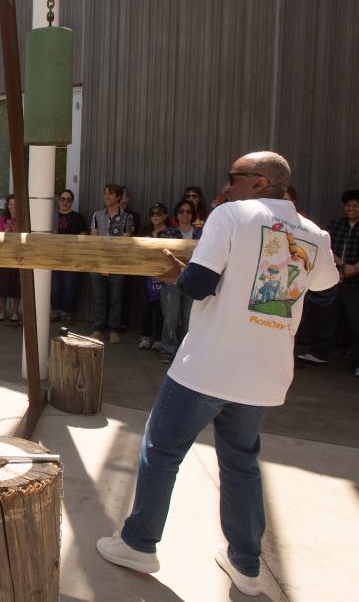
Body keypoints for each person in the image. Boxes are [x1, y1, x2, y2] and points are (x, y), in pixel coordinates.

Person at [96, 151, 338, 596]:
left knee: (161, 451)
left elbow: (200, 284)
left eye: (234, 177)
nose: (225, 187)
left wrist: (175, 274)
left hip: (208, 366)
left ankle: (139, 543)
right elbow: (323, 285)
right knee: (242, 463)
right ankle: (246, 565)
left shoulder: (232, 216)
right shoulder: (315, 233)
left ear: (261, 182)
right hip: (264, 373)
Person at [297, 189, 359, 377]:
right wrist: (343, 266)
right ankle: (319, 352)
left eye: (356, 206)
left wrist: (354, 269)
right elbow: (327, 248)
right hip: (336, 278)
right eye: (348, 205)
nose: (350, 209)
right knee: (326, 316)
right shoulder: (337, 225)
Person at [158, 199, 203, 361]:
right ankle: (168, 350)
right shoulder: (168, 233)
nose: (185, 214)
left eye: (188, 211)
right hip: (172, 281)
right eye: (181, 211)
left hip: (192, 280)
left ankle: (184, 351)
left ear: (193, 214)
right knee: (171, 316)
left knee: (189, 317)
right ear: (176, 214)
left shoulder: (201, 233)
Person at [90, 184, 135, 342]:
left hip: (117, 264)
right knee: (99, 298)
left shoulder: (127, 217)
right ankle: (98, 328)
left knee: (116, 298)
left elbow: (125, 243)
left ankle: (113, 330)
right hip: (98, 263)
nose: (106, 196)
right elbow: (93, 240)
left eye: (109, 194)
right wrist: (102, 263)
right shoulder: (97, 215)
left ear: (118, 197)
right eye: (105, 193)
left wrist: (110, 263)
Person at [51, 189, 87, 323]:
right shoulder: (51, 217)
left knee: (70, 286)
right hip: (54, 257)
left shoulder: (78, 217)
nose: (65, 202)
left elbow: (83, 237)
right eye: (63, 199)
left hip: (72, 258)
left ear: (72, 202)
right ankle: (55, 312)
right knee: (55, 286)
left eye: (68, 200)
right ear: (58, 201)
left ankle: (68, 313)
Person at [138, 203, 171, 349]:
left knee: (161, 308)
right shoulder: (145, 231)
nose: (156, 216)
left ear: (165, 215)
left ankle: (158, 337)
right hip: (146, 274)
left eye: (159, 213)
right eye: (153, 213)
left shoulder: (170, 232)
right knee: (146, 307)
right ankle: (145, 336)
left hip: (164, 274)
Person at [0, 195, 22, 322]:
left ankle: (15, 312)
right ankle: (2, 311)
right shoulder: (2, 218)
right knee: (2, 285)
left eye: (15, 205)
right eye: (11, 204)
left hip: (17, 255)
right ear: (7, 206)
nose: (13, 207)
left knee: (16, 285)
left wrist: (16, 229)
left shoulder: (23, 218)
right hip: (3, 255)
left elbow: (25, 235)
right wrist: (7, 230)